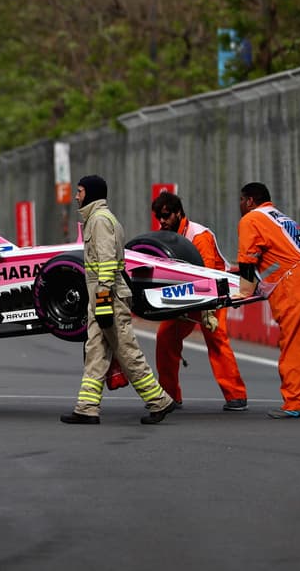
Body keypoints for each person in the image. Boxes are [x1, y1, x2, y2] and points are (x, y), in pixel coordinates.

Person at [61, 175, 176, 425]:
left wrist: (102, 301)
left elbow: (107, 264)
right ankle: (87, 408)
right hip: (101, 296)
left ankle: (160, 401)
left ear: (90, 193)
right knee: (96, 351)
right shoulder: (95, 219)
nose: (76, 196)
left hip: (108, 296)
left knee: (126, 350)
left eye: (79, 191)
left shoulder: (100, 221)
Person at [236, 182, 300, 419]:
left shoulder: (251, 219)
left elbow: (248, 258)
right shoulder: (280, 217)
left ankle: (296, 403)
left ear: (250, 201)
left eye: (241, 200)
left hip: (299, 282)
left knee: (293, 344)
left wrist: (244, 292)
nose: (239, 206)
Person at [151, 191, 248, 412]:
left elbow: (208, 274)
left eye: (166, 216)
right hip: (186, 295)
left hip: (214, 294)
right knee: (165, 336)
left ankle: (236, 395)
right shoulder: (164, 235)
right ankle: (169, 395)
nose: (162, 221)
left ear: (178, 213)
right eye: (159, 217)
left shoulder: (198, 235)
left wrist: (207, 310)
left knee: (216, 337)